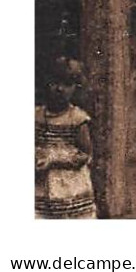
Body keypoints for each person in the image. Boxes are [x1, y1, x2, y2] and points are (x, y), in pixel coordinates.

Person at [36, 57, 95, 219]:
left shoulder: (77, 118)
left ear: (76, 87)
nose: (60, 89)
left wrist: (55, 160)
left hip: (69, 184)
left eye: (67, 84)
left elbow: (85, 154)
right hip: (41, 184)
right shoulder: (36, 115)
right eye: (54, 83)